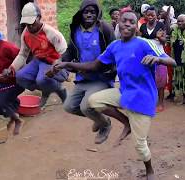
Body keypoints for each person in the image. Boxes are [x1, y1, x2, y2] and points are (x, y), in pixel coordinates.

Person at [53, 10, 176, 180]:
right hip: (124, 93)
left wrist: (158, 59)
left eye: (131, 22)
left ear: (136, 27)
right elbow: (94, 65)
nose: (127, 24)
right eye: (124, 20)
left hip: (143, 99)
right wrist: (67, 64)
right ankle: (126, 123)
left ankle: (149, 170)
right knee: (93, 101)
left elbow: (173, 62)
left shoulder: (145, 43)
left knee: (140, 145)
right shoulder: (114, 47)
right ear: (119, 23)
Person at [60, 0, 116, 144]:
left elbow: (114, 50)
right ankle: (100, 118)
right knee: (69, 107)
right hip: (83, 77)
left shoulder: (104, 29)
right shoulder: (76, 30)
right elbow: (70, 50)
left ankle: (105, 125)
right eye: (86, 12)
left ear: (97, 14)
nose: (89, 14)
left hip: (101, 77)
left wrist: (113, 70)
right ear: (81, 13)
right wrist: (61, 63)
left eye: (93, 12)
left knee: (86, 106)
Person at [0, 2, 68, 109]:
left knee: (41, 80)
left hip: (54, 62)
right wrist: (10, 69)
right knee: (20, 77)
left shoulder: (51, 33)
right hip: (39, 60)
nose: (30, 26)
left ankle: (59, 89)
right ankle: (47, 89)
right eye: (27, 23)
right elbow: (23, 55)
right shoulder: (26, 34)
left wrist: (55, 68)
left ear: (39, 17)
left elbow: (64, 53)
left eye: (32, 22)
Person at [139, 6, 167, 112]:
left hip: (159, 54)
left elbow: (164, 41)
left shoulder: (161, 25)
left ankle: (160, 103)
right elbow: (141, 40)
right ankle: (149, 101)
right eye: (148, 15)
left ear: (156, 16)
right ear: (145, 16)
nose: (150, 16)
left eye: (153, 15)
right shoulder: (142, 26)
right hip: (146, 55)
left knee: (160, 79)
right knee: (147, 78)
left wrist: (159, 37)